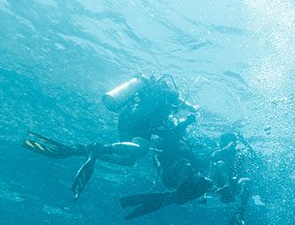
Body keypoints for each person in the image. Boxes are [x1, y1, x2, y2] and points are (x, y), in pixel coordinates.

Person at [22, 75, 196, 198]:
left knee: (128, 159)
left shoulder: (149, 93)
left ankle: (83, 150)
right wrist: (191, 113)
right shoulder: (167, 96)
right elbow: (173, 115)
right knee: (141, 150)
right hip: (140, 120)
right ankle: (100, 148)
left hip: (128, 117)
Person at [119, 129, 252, 225]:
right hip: (209, 185)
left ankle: (241, 211)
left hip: (223, 189)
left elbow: (200, 165)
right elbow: (212, 160)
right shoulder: (219, 152)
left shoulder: (240, 155)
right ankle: (173, 196)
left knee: (246, 181)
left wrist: (243, 145)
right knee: (210, 171)